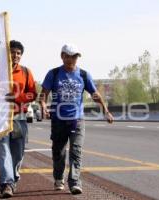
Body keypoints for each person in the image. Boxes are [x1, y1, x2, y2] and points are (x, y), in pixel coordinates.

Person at [39, 44, 114, 195]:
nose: (71, 59)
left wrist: (105, 111)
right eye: (68, 56)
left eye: (74, 56)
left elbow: (95, 94)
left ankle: (74, 182)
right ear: (62, 56)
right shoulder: (53, 74)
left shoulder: (84, 75)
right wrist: (43, 106)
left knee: (76, 151)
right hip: (58, 120)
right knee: (58, 152)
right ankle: (58, 178)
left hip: (77, 119)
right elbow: (43, 94)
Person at [0, 40, 37, 198]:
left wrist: (17, 97)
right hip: (1, 118)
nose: (15, 55)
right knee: (4, 150)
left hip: (19, 117)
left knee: (18, 153)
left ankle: (13, 178)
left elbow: (32, 94)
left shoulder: (26, 72)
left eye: (18, 53)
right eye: (12, 52)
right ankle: (6, 183)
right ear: (7, 53)